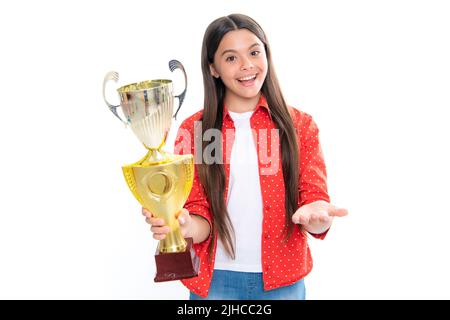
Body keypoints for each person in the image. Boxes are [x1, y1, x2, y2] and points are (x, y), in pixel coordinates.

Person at [142, 13, 348, 300]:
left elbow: (314, 200)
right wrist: (184, 224)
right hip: (215, 281)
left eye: (254, 52)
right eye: (230, 58)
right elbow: (200, 213)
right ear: (213, 68)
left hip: (283, 282)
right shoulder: (199, 131)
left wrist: (318, 217)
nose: (247, 65)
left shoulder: (299, 126)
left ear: (266, 54)